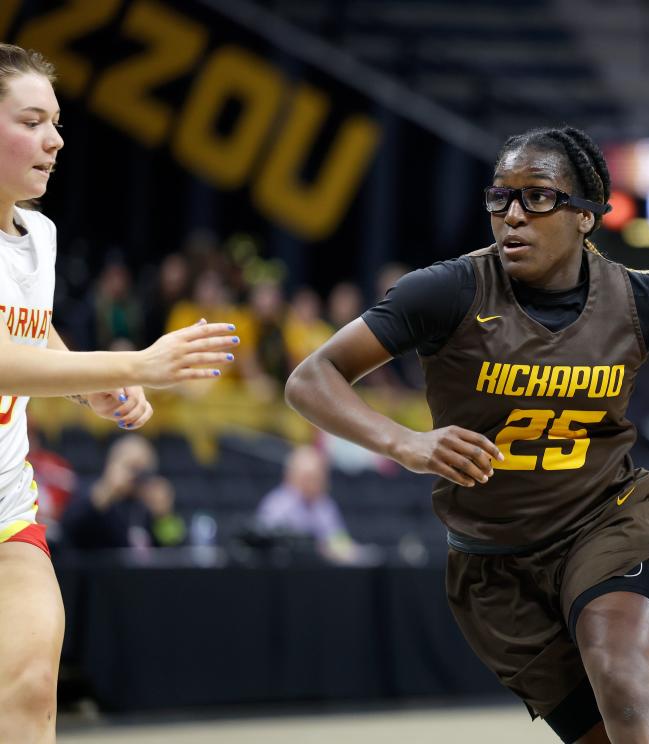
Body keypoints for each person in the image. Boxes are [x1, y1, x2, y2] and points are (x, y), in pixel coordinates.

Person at [285, 125, 649, 744]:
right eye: (501, 198)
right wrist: (403, 442)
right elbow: (312, 378)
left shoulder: (637, 303)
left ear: (586, 216)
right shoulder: (449, 290)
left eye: (538, 198)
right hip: (493, 565)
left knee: (623, 679)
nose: (513, 215)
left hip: (604, 525)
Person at [0, 43, 238, 742]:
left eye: (58, 122)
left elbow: (29, 335)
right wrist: (133, 363)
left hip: (7, 509)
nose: (55, 140)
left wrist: (93, 390)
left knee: (31, 684)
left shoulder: (36, 237)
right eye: (32, 121)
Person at [256, 445, 377, 565]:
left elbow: (339, 542)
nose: (314, 483)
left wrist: (356, 553)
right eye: (308, 477)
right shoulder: (277, 505)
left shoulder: (325, 504)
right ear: (290, 477)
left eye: (318, 477)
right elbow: (269, 547)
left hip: (320, 572)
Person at [61, 435, 184, 550]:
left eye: (143, 469)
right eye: (131, 467)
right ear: (111, 464)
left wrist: (164, 516)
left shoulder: (148, 504)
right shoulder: (90, 493)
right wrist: (107, 492)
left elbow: (174, 546)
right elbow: (70, 533)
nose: (136, 476)